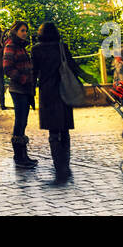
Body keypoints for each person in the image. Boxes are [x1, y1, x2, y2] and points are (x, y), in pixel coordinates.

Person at [32, 21, 87, 184]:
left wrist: (29, 94)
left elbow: (33, 73)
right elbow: (73, 67)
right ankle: (66, 165)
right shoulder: (61, 47)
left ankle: (59, 166)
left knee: (53, 133)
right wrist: (88, 78)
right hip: (64, 92)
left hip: (47, 94)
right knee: (64, 130)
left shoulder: (36, 49)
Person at [3, 20, 37, 168]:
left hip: (25, 89)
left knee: (23, 121)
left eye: (26, 30)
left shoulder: (21, 46)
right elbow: (7, 67)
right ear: (15, 31)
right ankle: (19, 156)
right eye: (22, 30)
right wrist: (23, 79)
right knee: (20, 121)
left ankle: (23, 155)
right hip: (18, 89)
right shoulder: (11, 45)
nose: (25, 33)